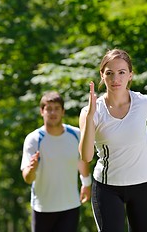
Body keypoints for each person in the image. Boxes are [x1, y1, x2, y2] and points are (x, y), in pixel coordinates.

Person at [79, 49, 147, 232]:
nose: (116, 79)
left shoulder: (144, 103)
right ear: (102, 75)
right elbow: (86, 156)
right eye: (110, 73)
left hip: (145, 184)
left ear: (130, 75)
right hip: (107, 188)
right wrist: (90, 116)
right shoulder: (91, 111)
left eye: (122, 72)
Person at [21, 91, 91, 232]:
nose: (53, 112)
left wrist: (87, 184)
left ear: (63, 111)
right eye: (48, 108)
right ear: (42, 111)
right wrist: (32, 168)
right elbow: (28, 178)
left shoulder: (76, 135)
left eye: (57, 108)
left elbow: (82, 161)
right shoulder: (33, 139)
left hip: (70, 206)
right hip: (43, 208)